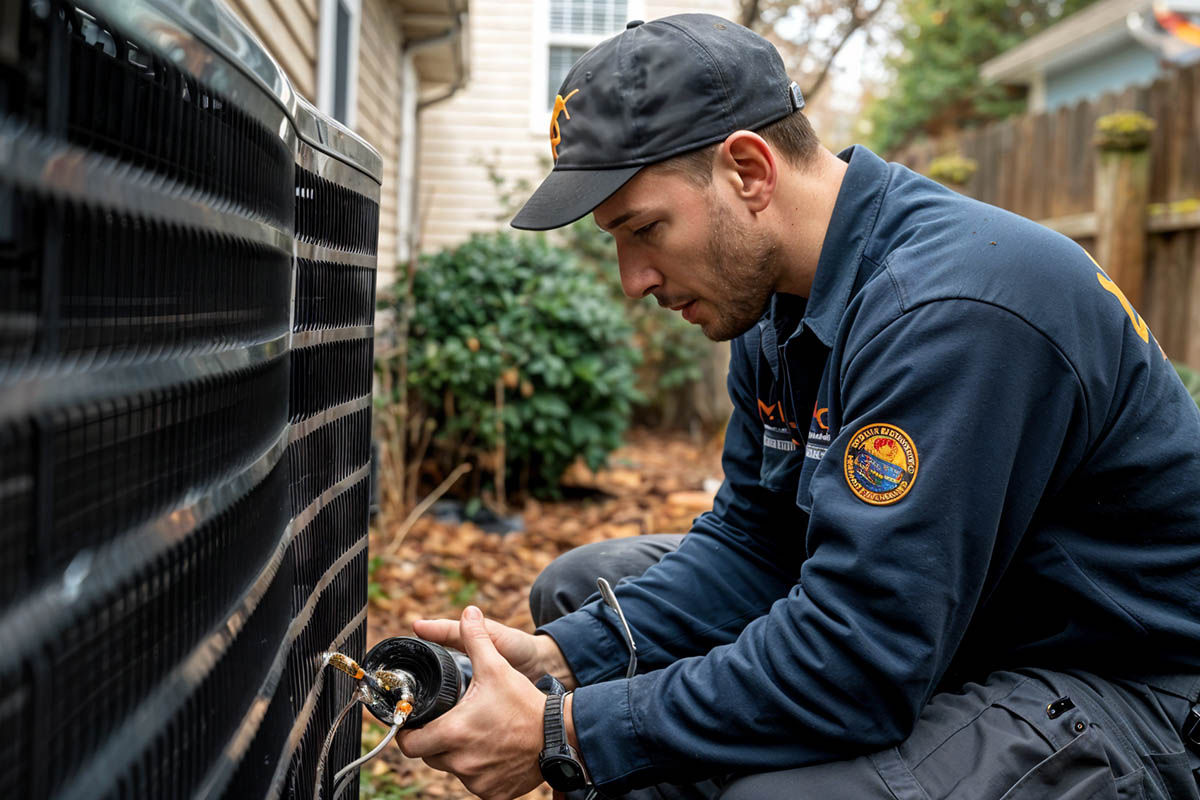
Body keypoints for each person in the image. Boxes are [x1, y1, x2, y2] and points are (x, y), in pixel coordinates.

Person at [396, 14, 1200, 800]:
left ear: (749, 170)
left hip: (1124, 684)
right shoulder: (781, 300)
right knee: (584, 592)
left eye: (644, 229)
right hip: (947, 626)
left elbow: (861, 662)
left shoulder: (951, 309)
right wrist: (558, 663)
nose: (632, 279)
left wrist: (565, 733)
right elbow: (757, 541)